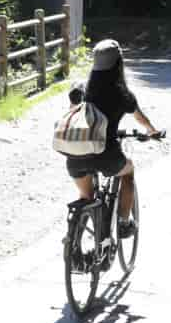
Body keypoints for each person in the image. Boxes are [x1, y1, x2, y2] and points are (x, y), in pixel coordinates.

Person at [64, 39, 161, 239]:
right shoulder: (121, 93)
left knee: (86, 196)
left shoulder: (83, 89)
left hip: (75, 155)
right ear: (118, 64)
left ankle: (74, 243)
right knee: (128, 171)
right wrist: (152, 131)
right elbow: (140, 118)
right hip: (106, 154)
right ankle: (124, 223)